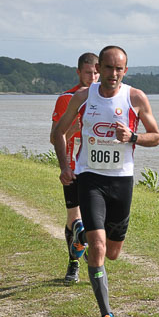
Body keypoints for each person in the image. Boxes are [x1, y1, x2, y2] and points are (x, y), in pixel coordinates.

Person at [52, 46, 159, 317]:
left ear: (125, 71)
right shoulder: (82, 97)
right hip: (90, 178)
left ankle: (80, 237)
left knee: (112, 253)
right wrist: (65, 167)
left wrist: (133, 136)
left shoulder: (135, 97)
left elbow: (156, 136)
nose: (113, 74)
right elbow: (58, 133)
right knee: (98, 248)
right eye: (109, 68)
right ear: (99, 68)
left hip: (121, 180)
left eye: (119, 69)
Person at [50, 52, 100, 284]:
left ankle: (86, 245)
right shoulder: (66, 99)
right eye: (88, 72)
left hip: (97, 168)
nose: (93, 77)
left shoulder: (105, 98)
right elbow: (54, 138)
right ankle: (73, 263)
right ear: (79, 72)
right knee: (74, 217)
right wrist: (75, 127)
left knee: (98, 218)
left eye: (96, 73)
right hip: (73, 167)